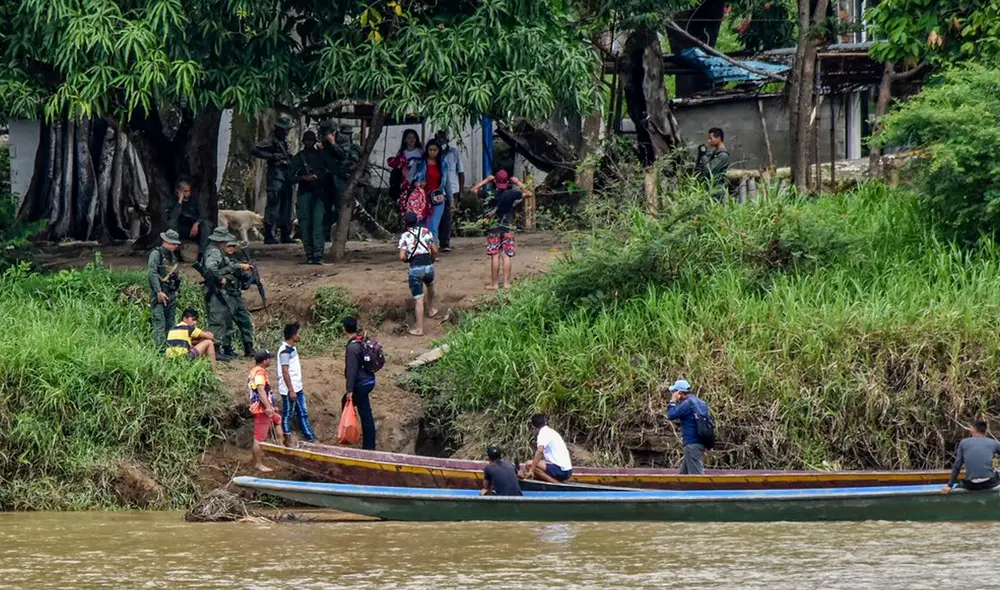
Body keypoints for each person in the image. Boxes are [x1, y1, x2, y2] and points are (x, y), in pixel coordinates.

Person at [203, 227, 255, 360]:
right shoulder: (214, 252)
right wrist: (220, 278)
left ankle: (229, 349)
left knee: (231, 320)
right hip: (217, 291)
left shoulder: (220, 253)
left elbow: (230, 267)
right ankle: (216, 350)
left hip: (226, 292)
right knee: (218, 321)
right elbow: (211, 267)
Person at [471, 170, 528, 290]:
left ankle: (495, 284)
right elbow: (529, 193)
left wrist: (486, 181)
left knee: (495, 256)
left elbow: (473, 190)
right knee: (506, 255)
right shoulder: (512, 194)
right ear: (507, 182)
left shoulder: (489, 193)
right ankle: (506, 283)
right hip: (508, 227)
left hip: (494, 229)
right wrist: (517, 182)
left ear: (495, 181)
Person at [251, 113, 294, 244]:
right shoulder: (271, 140)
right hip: (276, 175)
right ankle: (269, 234)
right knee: (273, 206)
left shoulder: (283, 140)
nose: (287, 131)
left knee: (286, 206)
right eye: (286, 129)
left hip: (285, 175)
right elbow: (255, 149)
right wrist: (272, 156)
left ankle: (285, 234)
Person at [397, 210, 439, 336]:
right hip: (429, 266)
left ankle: (420, 329)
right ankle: (431, 310)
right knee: (430, 285)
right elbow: (435, 250)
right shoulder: (426, 231)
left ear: (406, 223)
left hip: (415, 268)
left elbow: (402, 256)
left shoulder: (405, 236)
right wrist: (432, 260)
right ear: (417, 220)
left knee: (418, 299)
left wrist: (407, 259)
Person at [290, 130, 328, 264]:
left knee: (318, 224)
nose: (309, 143)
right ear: (303, 142)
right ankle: (310, 254)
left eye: (311, 141)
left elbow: (328, 173)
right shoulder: (299, 158)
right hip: (304, 193)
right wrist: (303, 178)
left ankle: (318, 254)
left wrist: (318, 177)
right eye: (307, 141)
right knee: (305, 224)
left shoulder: (321, 156)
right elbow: (289, 176)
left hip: (319, 194)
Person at [277, 321, 316, 446]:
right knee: (288, 414)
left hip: (297, 388)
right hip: (290, 389)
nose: (299, 335)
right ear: (293, 335)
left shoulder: (292, 349)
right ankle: (287, 439)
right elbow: (285, 372)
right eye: (298, 333)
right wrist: (291, 390)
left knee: (303, 413)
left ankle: (310, 437)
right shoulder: (284, 351)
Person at [343, 317, 376, 450]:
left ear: (344, 329)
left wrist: (350, 390)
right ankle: (369, 444)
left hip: (361, 384)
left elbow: (351, 370)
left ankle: (351, 434)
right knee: (365, 410)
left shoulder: (352, 347)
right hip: (369, 380)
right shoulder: (362, 340)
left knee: (361, 411)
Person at [666, 379, 711, 475]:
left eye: (674, 392)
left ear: (679, 393)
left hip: (691, 444)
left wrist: (672, 401)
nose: (673, 394)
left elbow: (671, 415)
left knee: (697, 477)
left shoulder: (687, 404)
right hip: (699, 443)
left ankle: (705, 486)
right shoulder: (701, 403)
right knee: (683, 476)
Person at [941, 419, 1000, 494]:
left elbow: (957, 465)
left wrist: (949, 485)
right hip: (989, 483)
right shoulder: (993, 443)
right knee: (997, 474)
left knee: (960, 485)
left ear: (973, 430)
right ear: (985, 431)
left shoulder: (963, 442)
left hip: (971, 484)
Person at [147, 229, 182, 351]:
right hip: (160, 293)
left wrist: (177, 289)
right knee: (160, 321)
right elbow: (152, 273)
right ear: (165, 241)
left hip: (171, 292)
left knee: (170, 322)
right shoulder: (156, 254)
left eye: (176, 244)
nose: (175, 246)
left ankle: (170, 349)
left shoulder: (172, 256)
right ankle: (160, 351)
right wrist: (158, 291)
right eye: (172, 243)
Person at [248, 349, 280, 472]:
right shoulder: (260, 373)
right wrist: (267, 407)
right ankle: (258, 463)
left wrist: (271, 405)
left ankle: (281, 446)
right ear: (265, 361)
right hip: (261, 409)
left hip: (262, 406)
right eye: (269, 358)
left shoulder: (254, 371)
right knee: (259, 438)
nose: (270, 360)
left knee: (278, 419)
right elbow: (261, 391)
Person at [413, 139, 450, 241]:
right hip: (423, 197)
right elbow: (414, 179)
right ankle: (423, 247)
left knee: (433, 225)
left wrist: (451, 200)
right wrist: (418, 184)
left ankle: (433, 248)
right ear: (427, 150)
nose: (432, 152)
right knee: (422, 224)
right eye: (430, 150)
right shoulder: (421, 163)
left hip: (438, 197)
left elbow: (447, 183)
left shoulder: (443, 164)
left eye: (435, 150)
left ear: (438, 151)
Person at [434, 130, 465, 252]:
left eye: (443, 138)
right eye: (439, 138)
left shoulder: (454, 152)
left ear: (447, 139)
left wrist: (461, 191)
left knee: (447, 217)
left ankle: (445, 243)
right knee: (436, 216)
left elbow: (460, 172)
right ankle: (434, 241)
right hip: (436, 190)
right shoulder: (433, 153)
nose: (441, 140)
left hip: (451, 189)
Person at [163, 179, 208, 259]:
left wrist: (196, 224)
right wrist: (180, 201)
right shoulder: (172, 201)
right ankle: (175, 252)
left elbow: (203, 215)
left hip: (193, 228)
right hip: (180, 229)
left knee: (206, 224)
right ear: (179, 191)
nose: (188, 193)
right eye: (185, 191)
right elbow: (174, 216)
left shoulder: (194, 200)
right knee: (172, 222)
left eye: (189, 191)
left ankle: (202, 254)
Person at [523, 414, 573, 483]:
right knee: (539, 463)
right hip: (567, 470)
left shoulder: (543, 433)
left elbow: (540, 451)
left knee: (529, 464)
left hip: (562, 471)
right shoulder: (550, 431)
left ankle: (556, 483)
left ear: (533, 426)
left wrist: (531, 470)